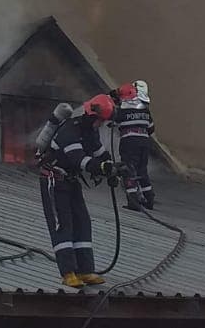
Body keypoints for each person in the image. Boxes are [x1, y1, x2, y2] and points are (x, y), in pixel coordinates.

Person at [36, 93, 123, 288]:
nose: (101, 124)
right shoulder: (70, 131)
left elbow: (99, 153)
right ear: (92, 116)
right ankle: (68, 272)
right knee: (62, 224)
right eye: (101, 120)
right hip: (54, 180)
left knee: (82, 222)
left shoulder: (89, 131)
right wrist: (102, 168)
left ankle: (85, 270)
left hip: (71, 180)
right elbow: (80, 160)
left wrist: (116, 168)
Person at [116, 80, 155, 210]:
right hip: (144, 142)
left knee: (128, 170)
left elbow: (112, 118)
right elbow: (151, 128)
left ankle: (133, 201)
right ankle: (149, 199)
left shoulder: (122, 109)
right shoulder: (145, 110)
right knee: (142, 170)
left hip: (129, 142)